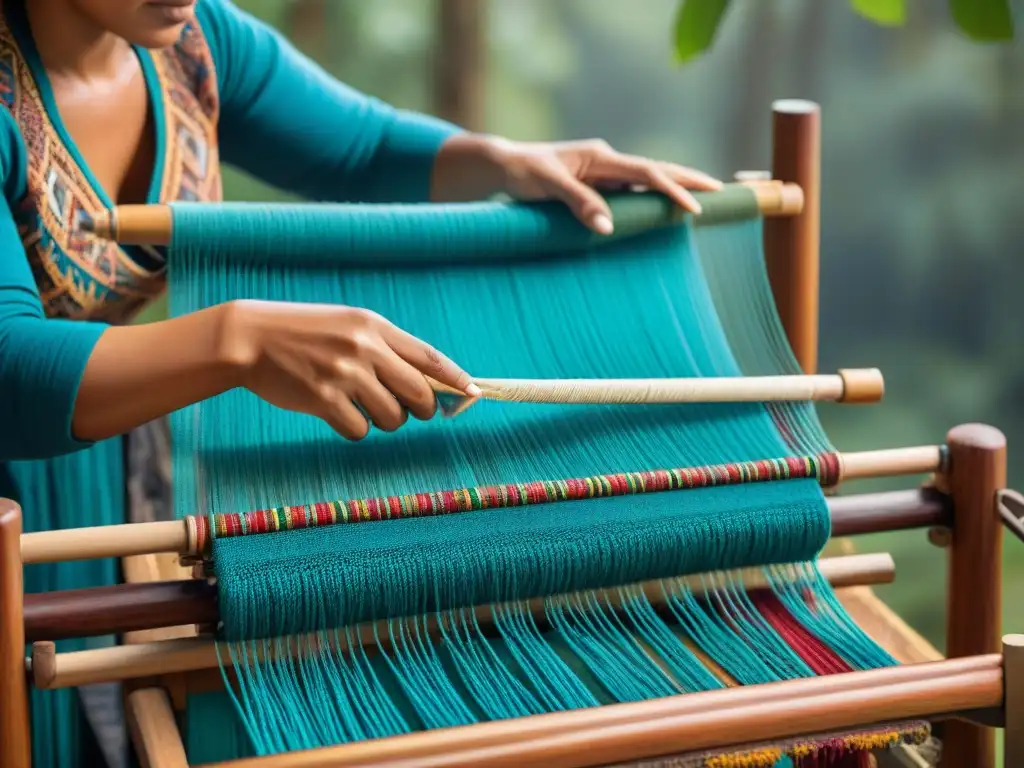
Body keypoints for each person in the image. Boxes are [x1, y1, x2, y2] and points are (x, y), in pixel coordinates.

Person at [0, 0, 722, 765]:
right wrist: (238, 340)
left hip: (105, 465)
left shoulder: (192, 42)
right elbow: (9, 372)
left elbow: (360, 149)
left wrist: (507, 162)